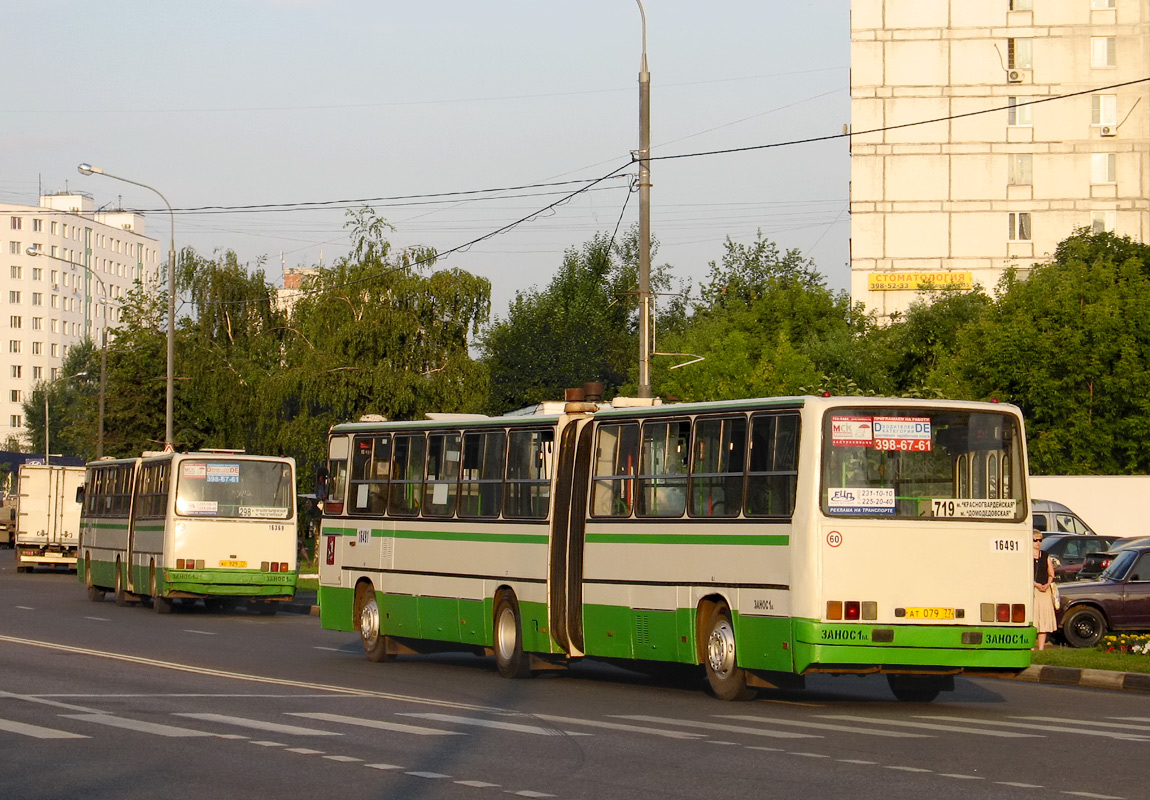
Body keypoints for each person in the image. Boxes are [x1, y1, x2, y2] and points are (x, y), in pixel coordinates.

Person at [1033, 528, 1057, 650]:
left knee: (1044, 619)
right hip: (1033, 591)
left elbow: (1051, 573)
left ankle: (1041, 648)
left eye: (1040, 540)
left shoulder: (1045, 555)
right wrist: (1035, 584)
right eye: (1035, 540)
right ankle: (1031, 647)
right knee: (1033, 618)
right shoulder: (1026, 556)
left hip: (1044, 591)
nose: (1038, 542)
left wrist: (1047, 584)